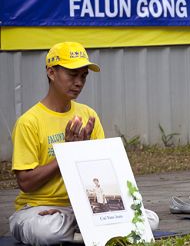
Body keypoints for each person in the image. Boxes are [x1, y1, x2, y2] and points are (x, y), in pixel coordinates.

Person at [9, 42, 158, 245]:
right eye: (72, 74)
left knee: (149, 220)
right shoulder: (29, 122)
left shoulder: (88, 115)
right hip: (39, 209)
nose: (79, 82)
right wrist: (67, 154)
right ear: (51, 73)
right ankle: (86, 231)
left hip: (84, 207)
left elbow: (103, 174)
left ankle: (81, 227)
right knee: (45, 232)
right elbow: (25, 183)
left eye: (83, 76)